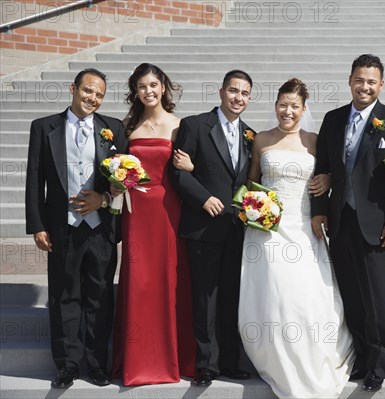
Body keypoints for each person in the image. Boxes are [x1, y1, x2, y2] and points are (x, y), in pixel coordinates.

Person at [238, 78, 355, 398]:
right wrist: (250, 208)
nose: (287, 111)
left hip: (304, 227)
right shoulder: (260, 139)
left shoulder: (315, 141)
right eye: (282, 104)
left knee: (306, 297)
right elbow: (251, 183)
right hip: (266, 229)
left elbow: (331, 174)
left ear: (304, 109)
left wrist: (327, 180)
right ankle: (274, 357)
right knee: (274, 295)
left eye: (294, 106)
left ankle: (310, 357)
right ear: (275, 105)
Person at [311, 54, 385, 392]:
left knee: (377, 300)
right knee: (352, 297)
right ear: (350, 80)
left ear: (381, 85)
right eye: (359, 79)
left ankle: (380, 363)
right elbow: (323, 169)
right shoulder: (333, 119)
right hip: (341, 222)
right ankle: (361, 357)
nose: (364, 86)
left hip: (378, 225)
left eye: (371, 81)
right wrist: (319, 210)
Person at [25, 68, 128, 388]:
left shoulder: (113, 128)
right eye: (88, 91)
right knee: (64, 296)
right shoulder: (44, 128)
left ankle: (97, 364)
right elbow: (34, 178)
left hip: (101, 229)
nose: (93, 99)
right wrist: (38, 225)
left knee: (99, 297)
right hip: (62, 228)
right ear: (73, 88)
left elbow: (126, 178)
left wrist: (104, 199)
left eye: (99, 95)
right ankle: (67, 365)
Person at [111, 63, 196, 385]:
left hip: (169, 210)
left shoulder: (179, 126)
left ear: (164, 87)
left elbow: (190, 171)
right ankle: (139, 360)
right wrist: (115, 185)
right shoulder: (125, 127)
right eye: (142, 86)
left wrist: (192, 165)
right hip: (136, 214)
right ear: (135, 91)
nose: (149, 91)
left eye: (154, 85)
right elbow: (115, 168)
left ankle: (174, 358)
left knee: (170, 278)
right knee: (139, 280)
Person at [169, 70, 254, 387]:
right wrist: (203, 199)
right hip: (203, 227)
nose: (238, 98)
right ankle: (206, 365)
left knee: (232, 296)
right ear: (221, 92)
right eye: (234, 90)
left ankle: (230, 361)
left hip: (236, 229)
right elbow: (177, 173)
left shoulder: (251, 135)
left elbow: (246, 181)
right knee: (206, 297)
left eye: (245, 93)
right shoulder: (194, 125)